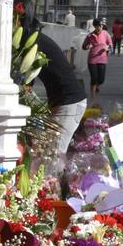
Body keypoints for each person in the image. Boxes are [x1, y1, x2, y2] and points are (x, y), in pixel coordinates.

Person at [31, 20, 88, 164]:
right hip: (62, 101)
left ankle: (54, 184)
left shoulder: (34, 42)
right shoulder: (36, 39)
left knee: (53, 154)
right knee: (47, 151)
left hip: (69, 103)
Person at [82, 19, 112, 96]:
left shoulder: (105, 34)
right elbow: (84, 47)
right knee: (94, 78)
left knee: (101, 79)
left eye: (101, 25)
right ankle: (92, 93)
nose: (101, 27)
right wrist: (87, 46)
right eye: (99, 25)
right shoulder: (90, 35)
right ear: (95, 26)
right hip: (92, 59)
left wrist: (107, 47)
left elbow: (110, 45)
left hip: (102, 59)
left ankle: (97, 86)